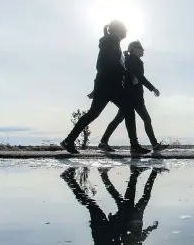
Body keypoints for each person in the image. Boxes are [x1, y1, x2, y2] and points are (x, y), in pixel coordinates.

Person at [60, 20, 150, 154]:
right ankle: (69, 140)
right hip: (108, 85)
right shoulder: (110, 41)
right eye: (125, 29)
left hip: (110, 85)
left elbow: (107, 65)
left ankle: (134, 145)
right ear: (118, 30)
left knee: (126, 110)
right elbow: (103, 65)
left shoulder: (112, 42)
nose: (126, 32)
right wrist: (126, 74)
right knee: (95, 114)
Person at [95, 40, 169, 152]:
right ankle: (151, 145)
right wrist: (152, 88)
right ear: (133, 48)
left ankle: (104, 142)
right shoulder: (131, 60)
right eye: (140, 47)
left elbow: (138, 77)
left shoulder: (133, 60)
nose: (142, 49)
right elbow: (132, 75)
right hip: (130, 97)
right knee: (142, 119)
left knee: (122, 119)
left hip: (135, 97)